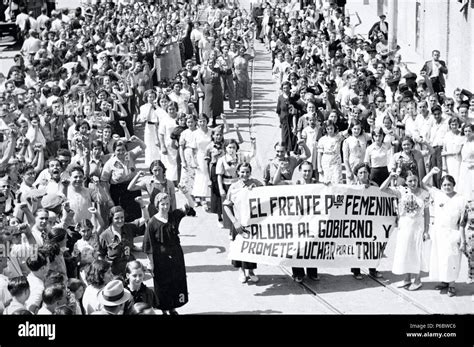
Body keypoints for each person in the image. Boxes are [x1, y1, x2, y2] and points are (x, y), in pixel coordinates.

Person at [143, 192, 196, 315]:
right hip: (161, 258)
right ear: (157, 205)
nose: (166, 207)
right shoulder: (152, 222)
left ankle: (173, 308)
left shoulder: (174, 216)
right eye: (163, 204)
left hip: (176, 255)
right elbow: (148, 244)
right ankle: (164, 310)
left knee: (176, 281)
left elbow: (190, 205)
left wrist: (187, 193)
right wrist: (151, 263)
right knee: (163, 284)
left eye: (167, 204)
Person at [380, 171, 431, 291]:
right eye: (410, 181)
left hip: (417, 226)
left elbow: (427, 214)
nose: (413, 183)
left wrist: (426, 230)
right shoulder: (401, 191)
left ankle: (417, 280)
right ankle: (407, 279)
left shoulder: (424, 194)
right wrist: (389, 177)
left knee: (416, 252)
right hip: (404, 226)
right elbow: (382, 189)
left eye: (415, 180)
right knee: (405, 251)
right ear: (406, 182)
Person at [422, 167, 466, 297]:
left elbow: (463, 221)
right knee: (440, 258)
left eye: (449, 185)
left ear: (454, 185)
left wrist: (462, 240)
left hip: (453, 232)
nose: (447, 187)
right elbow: (424, 183)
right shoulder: (438, 194)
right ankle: (444, 282)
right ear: (441, 186)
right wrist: (431, 173)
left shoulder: (461, 199)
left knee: (451, 259)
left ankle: (452, 285)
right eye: (444, 185)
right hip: (438, 232)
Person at [223, 162, 263, 283]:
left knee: (251, 249)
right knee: (239, 248)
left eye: (247, 172)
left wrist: (255, 191)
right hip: (239, 223)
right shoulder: (234, 187)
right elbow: (226, 205)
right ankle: (241, 271)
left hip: (252, 223)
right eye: (242, 171)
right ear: (238, 172)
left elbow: (267, 195)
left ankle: (251, 272)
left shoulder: (256, 184)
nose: (244, 174)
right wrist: (234, 221)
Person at [100, 136, 146, 222]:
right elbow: (103, 181)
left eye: (123, 150)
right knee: (122, 216)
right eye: (118, 150)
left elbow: (144, 147)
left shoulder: (130, 155)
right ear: (114, 151)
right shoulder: (110, 163)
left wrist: (138, 140)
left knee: (136, 214)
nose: (121, 152)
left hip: (133, 189)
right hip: (118, 192)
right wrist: (109, 198)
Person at [456, 124, 474, 201]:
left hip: (472, 167)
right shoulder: (464, 142)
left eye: (469, 131)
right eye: (465, 131)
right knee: (463, 187)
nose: (467, 133)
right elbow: (457, 153)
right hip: (464, 167)